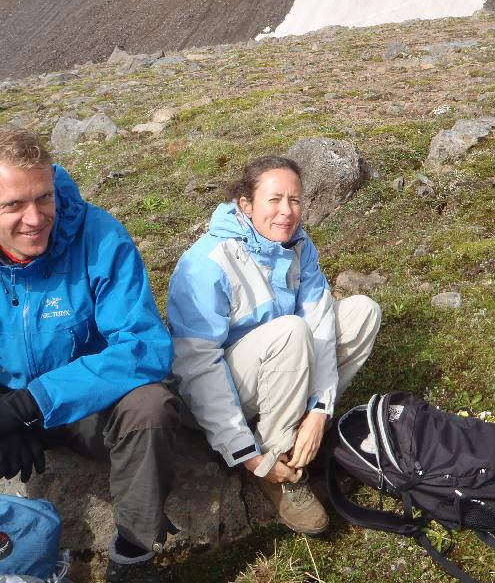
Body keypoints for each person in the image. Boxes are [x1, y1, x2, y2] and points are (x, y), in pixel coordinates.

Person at [0, 129, 180, 583]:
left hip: (90, 409)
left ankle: (133, 556)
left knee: (150, 405)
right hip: (9, 406)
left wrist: (29, 403)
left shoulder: (98, 236)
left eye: (44, 197)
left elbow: (143, 345)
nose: (35, 218)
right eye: (13, 205)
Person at [167, 155, 381, 535]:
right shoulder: (207, 263)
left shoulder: (298, 245)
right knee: (290, 332)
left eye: (295, 200)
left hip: (280, 363)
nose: (287, 211)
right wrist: (247, 455)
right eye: (275, 199)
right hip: (217, 393)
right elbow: (197, 368)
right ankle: (275, 462)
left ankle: (300, 433)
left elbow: (321, 323)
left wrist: (320, 410)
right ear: (246, 205)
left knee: (361, 312)